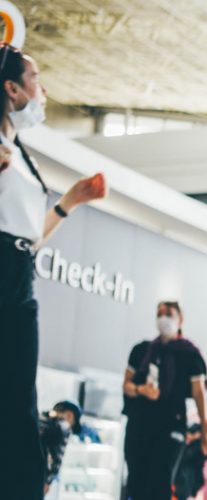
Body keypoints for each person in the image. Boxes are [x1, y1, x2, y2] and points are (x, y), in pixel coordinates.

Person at [0, 42, 107, 500]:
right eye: (36, 78)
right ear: (12, 88)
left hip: (20, 272)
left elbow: (30, 236)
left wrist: (72, 200)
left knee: (18, 397)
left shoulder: (19, 152)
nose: (43, 90)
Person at [122, 301, 207, 500]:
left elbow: (199, 395)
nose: (164, 318)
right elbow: (126, 385)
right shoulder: (142, 350)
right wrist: (140, 390)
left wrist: (206, 431)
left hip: (171, 424)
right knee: (137, 481)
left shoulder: (190, 355)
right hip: (140, 423)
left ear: (180, 319)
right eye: (160, 314)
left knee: (161, 481)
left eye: (169, 314)